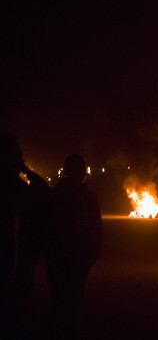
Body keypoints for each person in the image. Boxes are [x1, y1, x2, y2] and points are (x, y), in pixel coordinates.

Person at [0, 132, 51, 338]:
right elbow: (44, 194)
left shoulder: (12, 184)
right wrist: (26, 171)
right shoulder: (11, 185)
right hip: (10, 255)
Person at [47, 154, 102, 339]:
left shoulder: (57, 195)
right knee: (67, 301)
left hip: (72, 257)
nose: (82, 173)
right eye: (80, 169)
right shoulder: (61, 197)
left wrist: (92, 253)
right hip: (66, 257)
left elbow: (96, 228)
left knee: (65, 301)